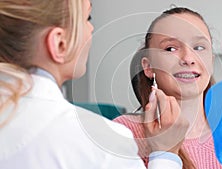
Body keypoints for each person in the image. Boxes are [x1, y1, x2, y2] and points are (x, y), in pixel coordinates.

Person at [0, 0, 189, 169]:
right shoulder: (102, 143)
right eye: (87, 18)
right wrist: (165, 155)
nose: (91, 28)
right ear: (59, 43)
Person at [113, 7, 222, 169]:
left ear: (211, 62)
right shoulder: (123, 134)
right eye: (171, 48)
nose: (188, 58)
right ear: (148, 67)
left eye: (199, 47)